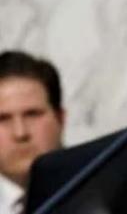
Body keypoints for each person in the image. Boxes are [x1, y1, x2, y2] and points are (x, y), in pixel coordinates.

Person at [0, 51, 64, 214]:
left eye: (32, 114)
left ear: (60, 118)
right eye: (3, 119)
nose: (20, 133)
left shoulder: (110, 193)